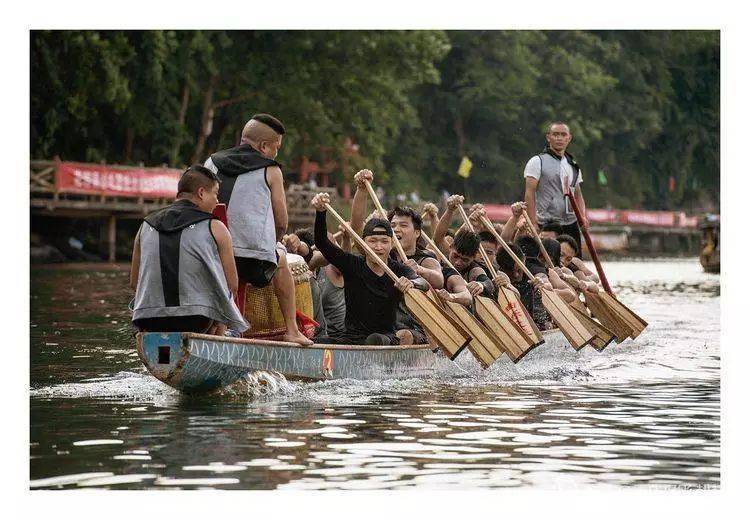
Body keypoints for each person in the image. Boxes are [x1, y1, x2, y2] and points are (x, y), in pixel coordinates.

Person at [204, 113, 312, 345]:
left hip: (210, 254)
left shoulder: (211, 162)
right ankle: (292, 329)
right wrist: (275, 242)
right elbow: (281, 221)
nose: (276, 153)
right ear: (263, 146)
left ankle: (217, 329)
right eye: (276, 148)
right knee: (281, 259)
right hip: (250, 260)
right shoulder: (271, 170)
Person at [130, 165, 248, 336]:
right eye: (215, 194)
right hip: (195, 321)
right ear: (201, 193)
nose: (217, 201)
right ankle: (220, 337)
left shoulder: (145, 225)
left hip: (148, 319)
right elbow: (232, 286)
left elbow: (135, 283)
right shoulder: (216, 227)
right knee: (223, 301)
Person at [311, 192, 430, 345]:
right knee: (314, 342)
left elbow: (423, 283)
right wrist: (320, 213)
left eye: (384, 242)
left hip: (385, 337)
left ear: (392, 244)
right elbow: (322, 243)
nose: (378, 247)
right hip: (352, 338)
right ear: (364, 244)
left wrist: (411, 284)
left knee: (376, 339)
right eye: (372, 241)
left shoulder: (399, 270)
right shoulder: (352, 264)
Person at [523, 121, 589, 255]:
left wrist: (583, 216)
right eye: (555, 134)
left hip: (571, 223)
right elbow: (529, 194)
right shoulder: (537, 161)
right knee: (548, 260)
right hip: (547, 223)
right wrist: (532, 223)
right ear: (548, 137)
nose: (559, 138)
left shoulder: (573, 164)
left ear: (569, 138)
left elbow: (578, 194)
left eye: (563, 135)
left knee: (574, 262)